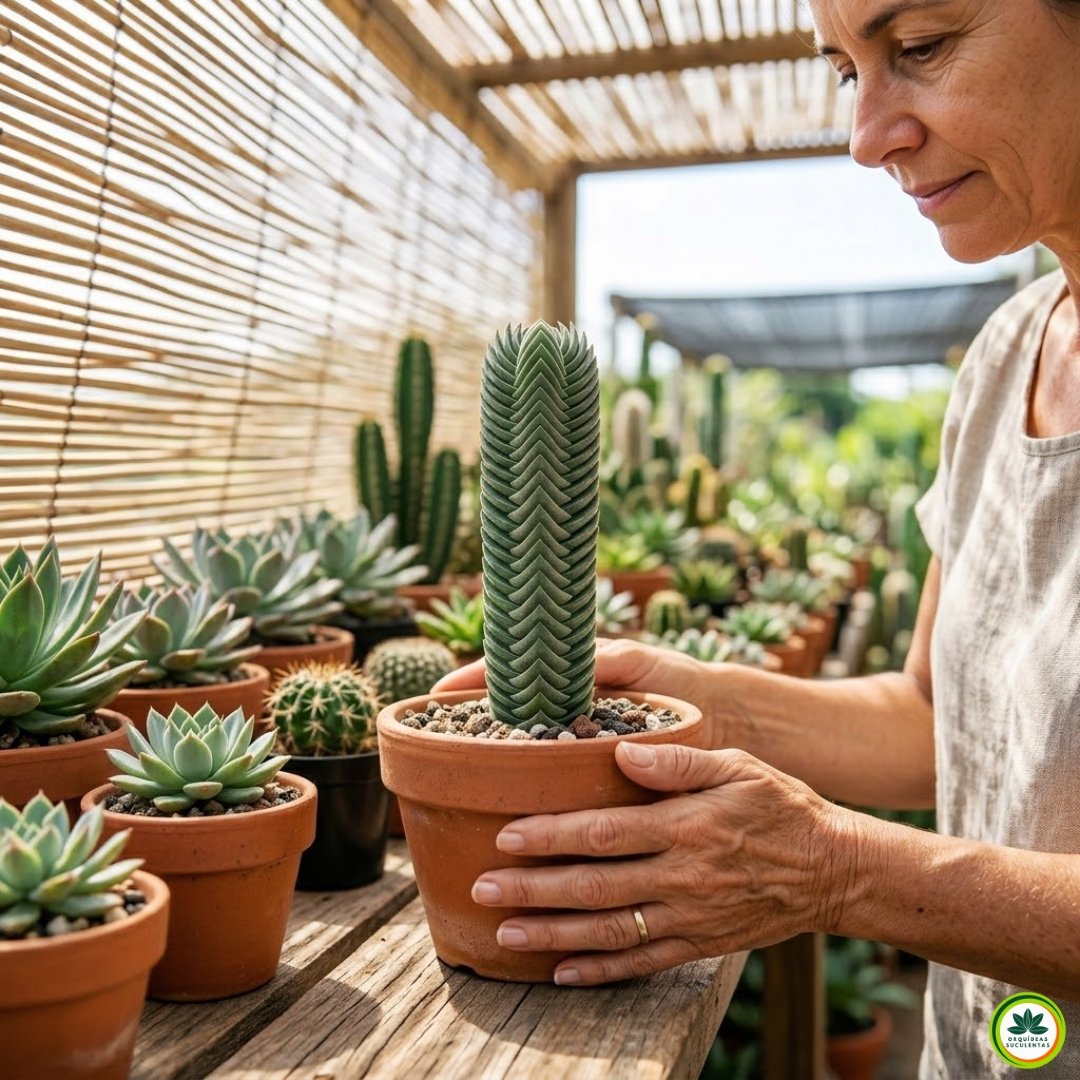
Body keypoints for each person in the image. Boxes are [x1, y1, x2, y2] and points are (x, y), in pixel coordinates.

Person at [435, 1, 1080, 1075]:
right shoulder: (1009, 350)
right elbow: (937, 719)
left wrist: (837, 871)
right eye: (845, 72)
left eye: (918, 48)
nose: (866, 135)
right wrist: (703, 699)